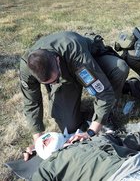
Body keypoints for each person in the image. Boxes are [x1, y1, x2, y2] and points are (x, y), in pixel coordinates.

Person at [20, 31, 129, 160]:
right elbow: (31, 103)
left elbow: (103, 92)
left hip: (87, 60)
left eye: (55, 79)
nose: (53, 83)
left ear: (57, 60)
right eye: (50, 83)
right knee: (70, 126)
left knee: (119, 68)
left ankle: (106, 113)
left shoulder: (74, 51)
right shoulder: (27, 67)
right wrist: (38, 144)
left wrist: (91, 131)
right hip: (66, 80)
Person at [31, 129, 140, 181]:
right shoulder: (96, 140)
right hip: (138, 171)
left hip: (135, 170)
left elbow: (131, 139)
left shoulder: (48, 166)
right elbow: (133, 139)